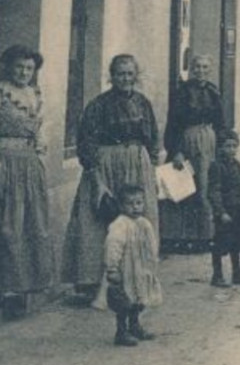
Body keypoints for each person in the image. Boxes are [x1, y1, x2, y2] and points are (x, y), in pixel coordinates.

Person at [62, 54, 164, 307]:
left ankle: (137, 280)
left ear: (136, 76)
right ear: (112, 76)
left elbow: (153, 138)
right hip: (105, 163)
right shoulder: (98, 105)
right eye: (120, 74)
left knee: (138, 218)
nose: (125, 79)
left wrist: (150, 169)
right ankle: (95, 283)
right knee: (98, 220)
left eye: (130, 74)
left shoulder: (143, 103)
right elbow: (86, 143)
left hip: (136, 162)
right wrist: (96, 178)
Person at [0, 45, 54, 317]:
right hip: (5, 161)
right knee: (7, 223)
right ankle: (2, 288)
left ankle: (23, 288)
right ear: (9, 67)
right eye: (19, 67)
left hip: (29, 163)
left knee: (29, 223)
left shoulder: (34, 94)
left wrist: (40, 154)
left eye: (29, 68)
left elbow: (39, 131)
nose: (24, 72)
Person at [161, 53, 226, 253]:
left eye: (205, 67)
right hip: (187, 140)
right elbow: (174, 123)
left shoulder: (214, 92)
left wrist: (222, 144)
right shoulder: (182, 92)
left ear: (210, 70)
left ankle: (204, 236)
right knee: (186, 187)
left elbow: (221, 121)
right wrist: (177, 150)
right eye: (197, 67)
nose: (201, 71)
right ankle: (180, 237)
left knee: (205, 187)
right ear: (191, 69)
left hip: (208, 140)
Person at [104, 184, 163, 347]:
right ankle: (121, 332)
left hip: (142, 268)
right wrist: (112, 268)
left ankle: (135, 326)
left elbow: (152, 243)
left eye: (138, 203)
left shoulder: (144, 223)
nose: (135, 207)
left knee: (139, 298)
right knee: (125, 301)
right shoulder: (120, 225)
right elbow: (113, 246)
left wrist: (152, 261)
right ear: (121, 206)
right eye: (130, 204)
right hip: (126, 270)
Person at [207, 130, 240, 288]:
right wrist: (221, 212)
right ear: (220, 148)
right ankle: (217, 275)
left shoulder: (237, 164)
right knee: (220, 242)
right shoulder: (216, 166)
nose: (231, 149)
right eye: (227, 146)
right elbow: (214, 191)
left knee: (237, 241)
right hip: (226, 211)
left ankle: (237, 273)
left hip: (238, 209)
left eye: (234, 146)